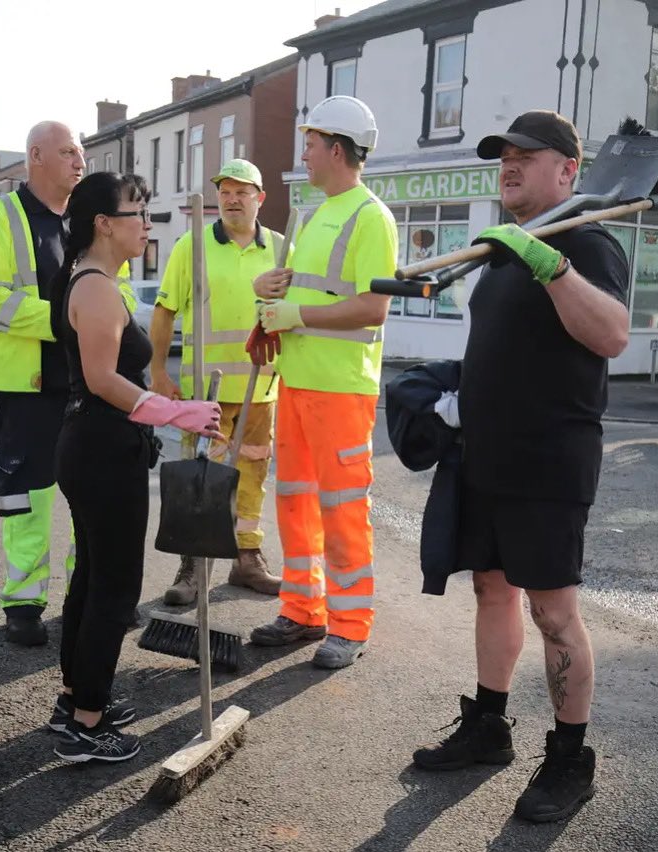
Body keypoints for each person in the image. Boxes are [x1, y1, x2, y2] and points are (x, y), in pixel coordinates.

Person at [410, 110, 629, 822]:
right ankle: (488, 725)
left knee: (554, 613)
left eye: (526, 156)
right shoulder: (502, 250)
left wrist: (554, 266)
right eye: (503, 156)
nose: (509, 165)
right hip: (487, 458)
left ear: (568, 169)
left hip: (549, 464)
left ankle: (571, 760)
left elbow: (614, 334)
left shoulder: (586, 242)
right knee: (491, 590)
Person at [47, 171, 221, 762]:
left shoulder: (94, 280)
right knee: (115, 586)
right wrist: (180, 413)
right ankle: (86, 727)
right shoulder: (94, 287)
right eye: (137, 213)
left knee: (94, 578)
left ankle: (76, 699)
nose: (147, 224)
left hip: (95, 446)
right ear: (103, 222)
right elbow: (103, 381)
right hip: (101, 448)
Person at [0, 122, 136, 646]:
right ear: (36, 156)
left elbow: (117, 288)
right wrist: (67, 318)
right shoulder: (0, 216)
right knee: (28, 499)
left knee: (91, 496)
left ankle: (83, 596)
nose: (79, 162)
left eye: (81, 153)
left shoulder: (89, 221)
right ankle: (24, 603)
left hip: (88, 385)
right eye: (67, 153)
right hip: (28, 387)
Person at [247, 96, 398, 669]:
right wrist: (271, 288)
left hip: (341, 390)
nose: (303, 154)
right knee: (296, 505)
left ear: (337, 149)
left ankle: (350, 625)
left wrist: (298, 317)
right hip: (299, 382)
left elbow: (374, 306)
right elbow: (305, 289)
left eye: (310, 144)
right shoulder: (313, 214)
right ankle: (303, 610)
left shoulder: (370, 216)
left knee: (341, 510)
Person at [150, 158, 284, 604]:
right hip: (202, 393)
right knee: (200, 480)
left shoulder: (282, 250)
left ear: (259, 198)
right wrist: (157, 370)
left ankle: (247, 558)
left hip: (260, 390)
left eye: (241, 191)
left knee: (251, 476)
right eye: (224, 191)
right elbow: (165, 310)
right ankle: (192, 566)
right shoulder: (193, 246)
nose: (231, 199)